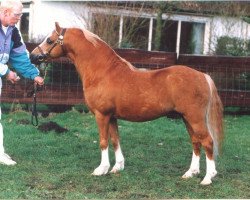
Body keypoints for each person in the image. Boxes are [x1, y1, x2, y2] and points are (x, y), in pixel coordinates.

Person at [0, 0, 44, 165]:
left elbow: (20, 57)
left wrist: (34, 75)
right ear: (5, 12)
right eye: (17, 14)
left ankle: (0, 154)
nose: (20, 17)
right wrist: (6, 72)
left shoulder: (13, 32)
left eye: (21, 14)